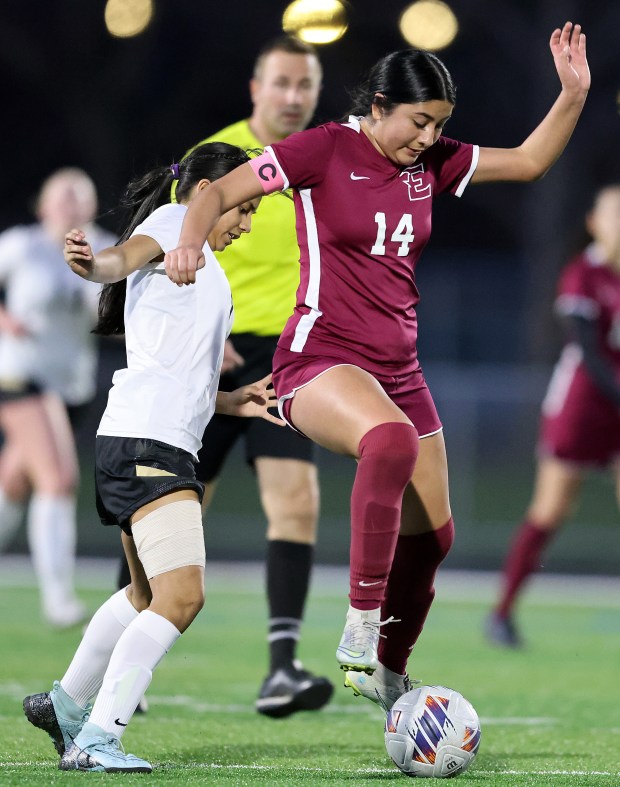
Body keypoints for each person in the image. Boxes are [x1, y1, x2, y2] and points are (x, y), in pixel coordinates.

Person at [164, 22, 589, 712]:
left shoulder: (432, 162)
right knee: (386, 442)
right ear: (381, 103)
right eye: (419, 121)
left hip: (399, 369)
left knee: (435, 537)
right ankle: (359, 621)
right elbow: (213, 192)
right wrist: (187, 242)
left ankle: (387, 672)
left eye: (438, 125)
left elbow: (531, 161)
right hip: (319, 357)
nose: (427, 138)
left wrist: (572, 94)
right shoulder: (324, 147)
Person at [22, 142, 283, 773]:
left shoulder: (202, 262)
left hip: (141, 437)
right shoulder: (172, 224)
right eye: (242, 208)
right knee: (182, 598)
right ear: (204, 192)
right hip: (150, 445)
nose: (244, 225)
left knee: (145, 594)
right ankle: (97, 737)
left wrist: (233, 399)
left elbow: (170, 371)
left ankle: (66, 703)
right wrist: (91, 263)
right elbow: (119, 259)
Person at [116, 34, 332, 717]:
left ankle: (282, 667)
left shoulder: (324, 160)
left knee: (296, 500)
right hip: (213, 353)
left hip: (286, 355)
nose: (293, 96)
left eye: (305, 85)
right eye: (282, 83)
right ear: (255, 88)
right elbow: (177, 248)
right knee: (162, 511)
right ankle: (130, 651)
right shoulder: (222, 162)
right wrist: (210, 333)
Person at [486, 183, 620, 648]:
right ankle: (501, 613)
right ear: (594, 223)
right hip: (583, 404)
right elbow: (591, 354)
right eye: (613, 214)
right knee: (551, 510)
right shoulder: (584, 275)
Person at [0, 168, 116, 627]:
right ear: (42, 204)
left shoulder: (103, 246)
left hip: (73, 387)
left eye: (79, 196)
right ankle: (58, 598)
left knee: (13, 481)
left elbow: (112, 310)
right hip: (20, 376)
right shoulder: (21, 245)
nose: (70, 204)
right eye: (61, 196)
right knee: (59, 478)